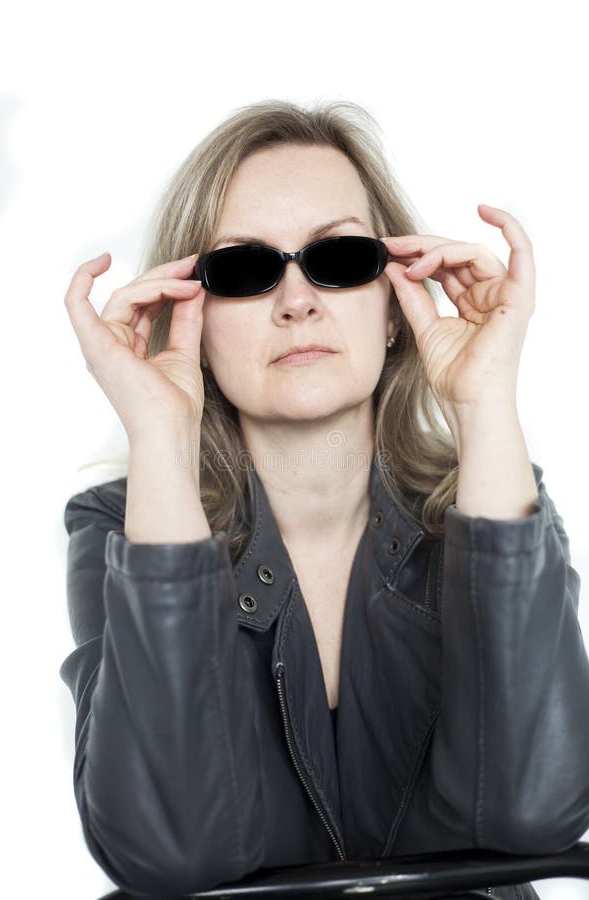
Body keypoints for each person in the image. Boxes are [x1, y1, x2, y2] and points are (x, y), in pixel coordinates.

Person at [60, 99, 589, 899]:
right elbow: (167, 852)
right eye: (245, 269)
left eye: (339, 257)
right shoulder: (118, 526)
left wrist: (485, 405)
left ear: (391, 305)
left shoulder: (487, 504)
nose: (298, 300)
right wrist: (161, 438)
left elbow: (534, 813)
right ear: (188, 320)